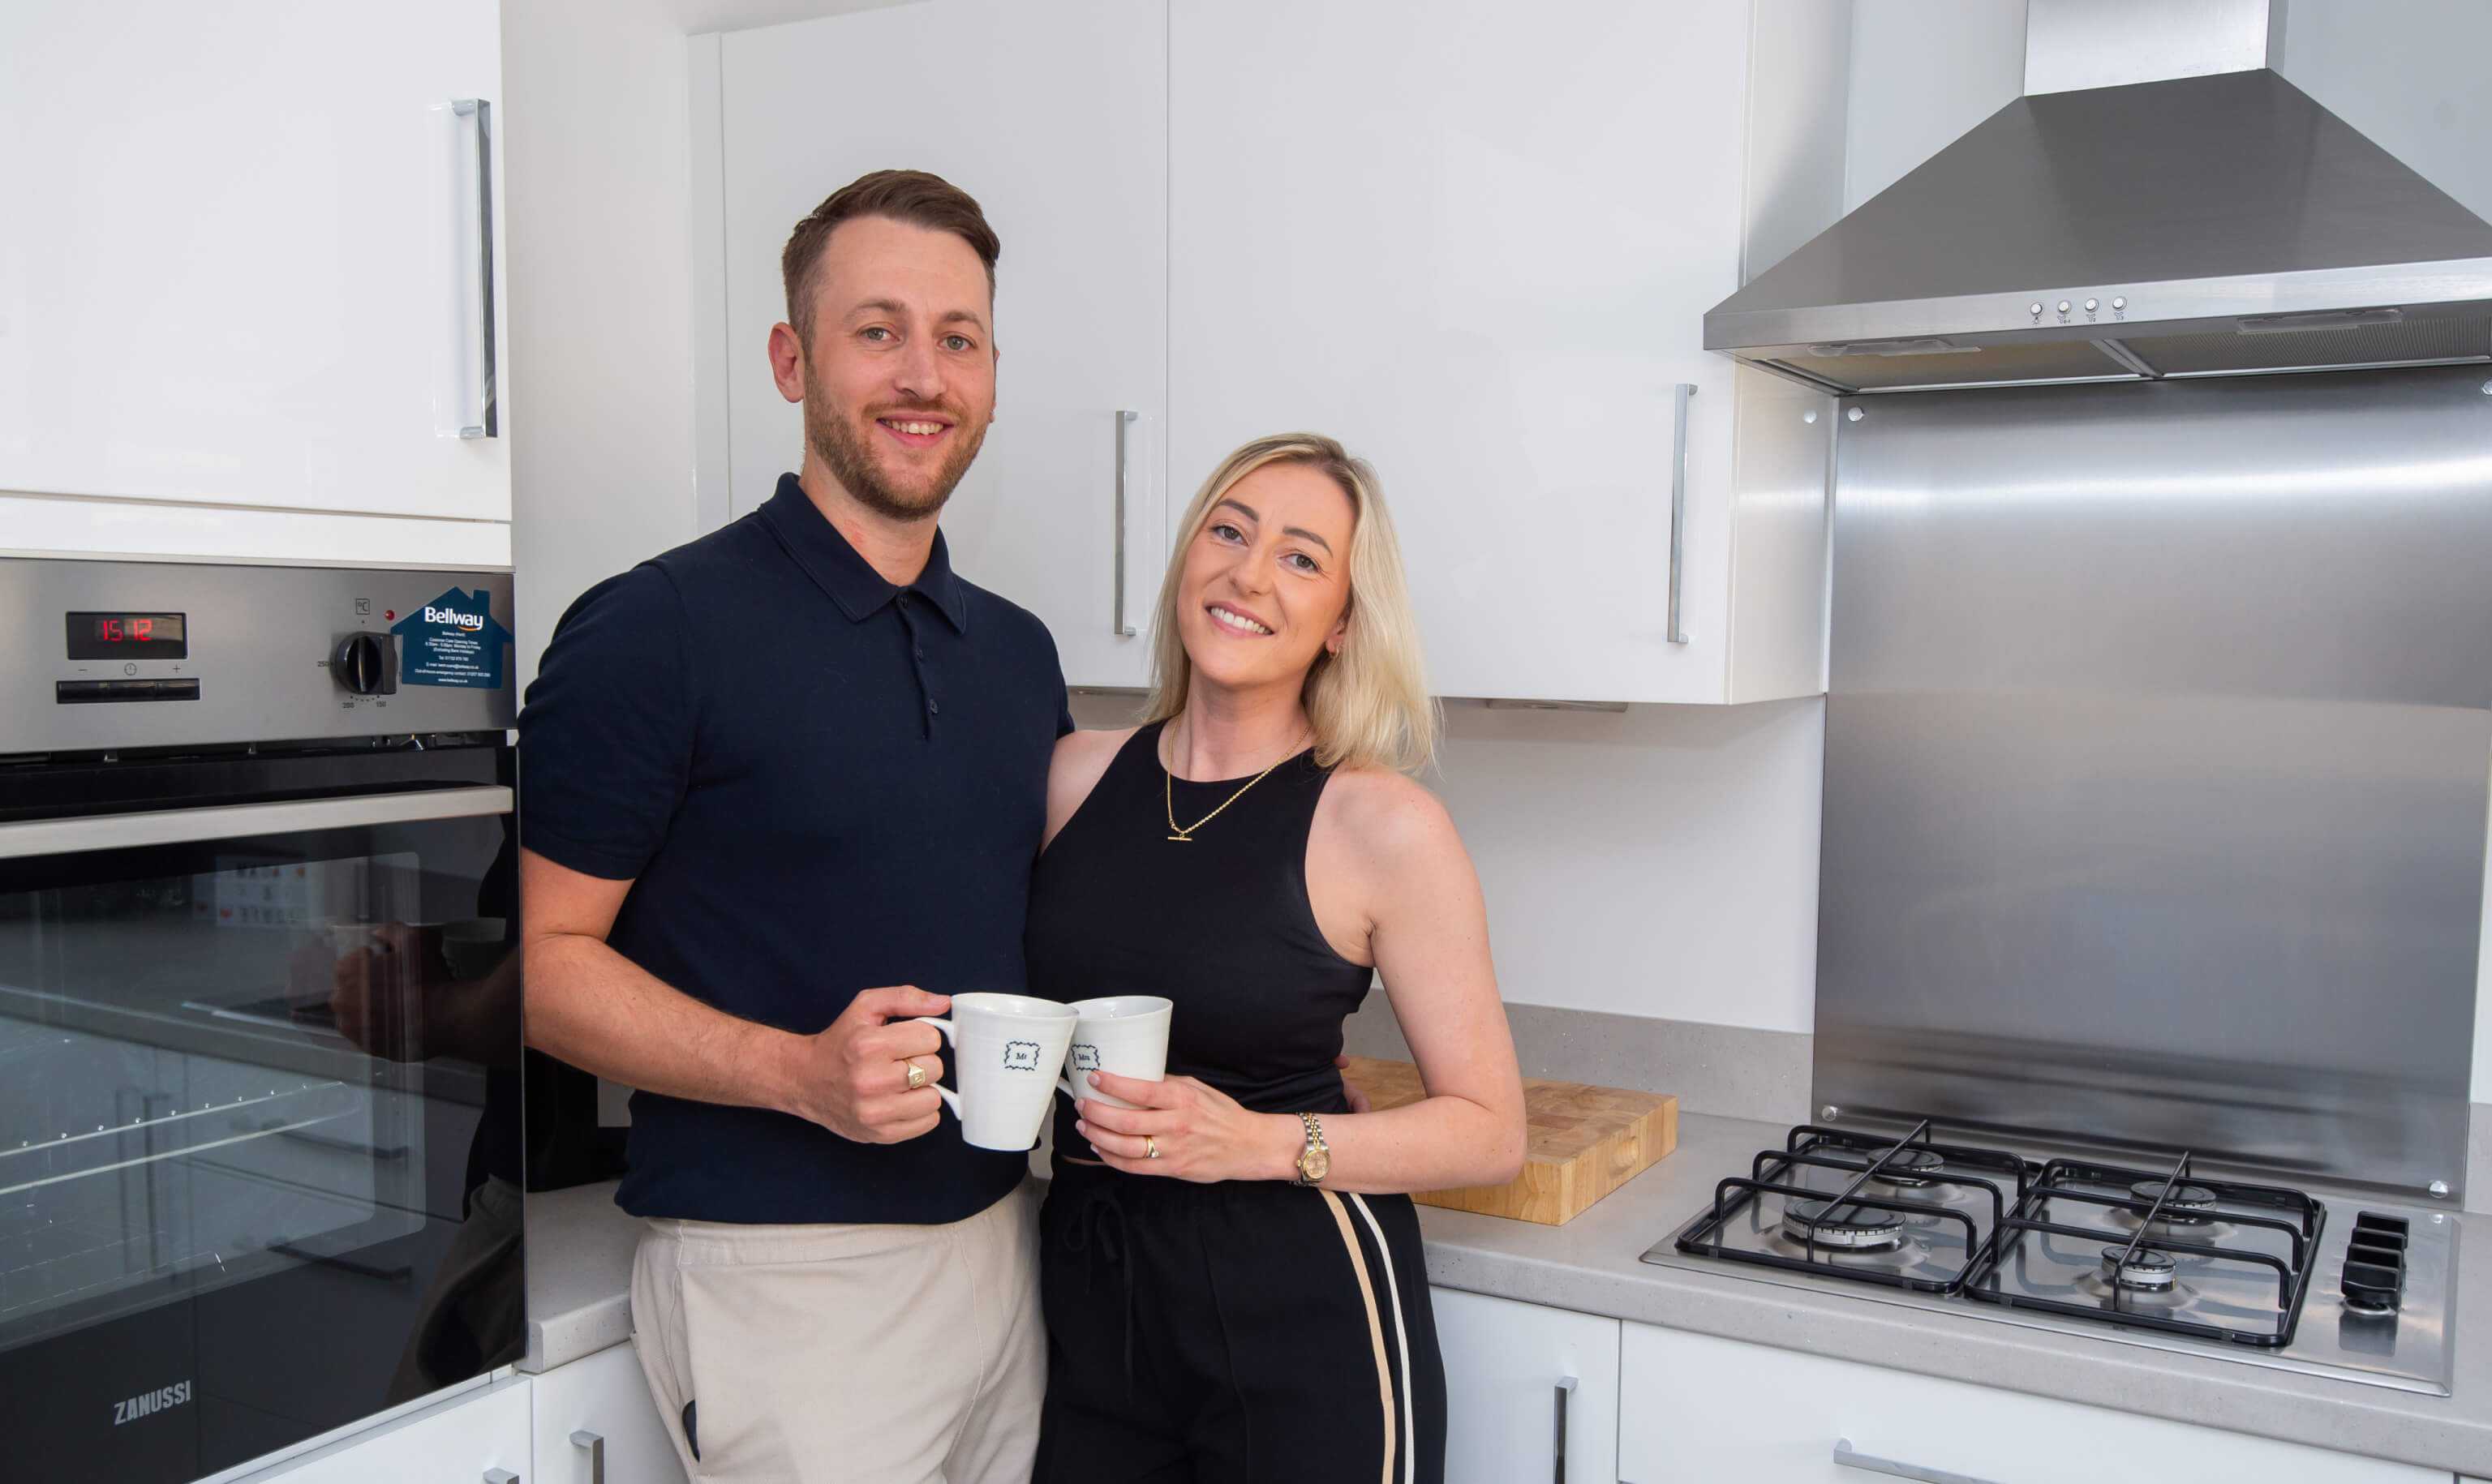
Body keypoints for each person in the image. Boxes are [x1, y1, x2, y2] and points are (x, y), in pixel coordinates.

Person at [518, 169, 1067, 1483]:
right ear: (791, 358)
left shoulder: (1019, 653)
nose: (922, 374)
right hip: (783, 1279)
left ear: (993, 372)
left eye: (958, 337)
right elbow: (540, 968)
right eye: (877, 330)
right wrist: (796, 1073)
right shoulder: (657, 629)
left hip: (1004, 1249)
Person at [1026, 434, 1527, 1483]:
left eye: (1302, 557)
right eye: (1229, 530)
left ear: (1343, 620)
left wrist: (1253, 1140)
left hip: (1301, 1307)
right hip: (1094, 1301)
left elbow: (1490, 1132)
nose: (1250, 573)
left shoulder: (1381, 824)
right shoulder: (1072, 778)